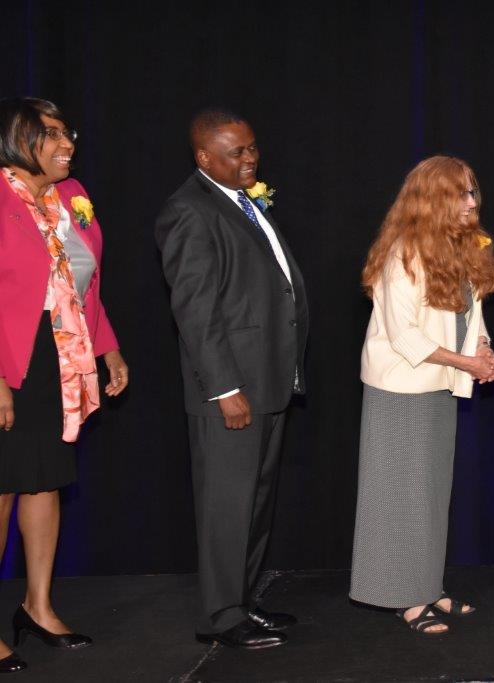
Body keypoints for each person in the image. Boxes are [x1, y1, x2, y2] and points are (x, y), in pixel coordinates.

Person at [155, 108, 309, 650]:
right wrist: (224, 388)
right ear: (204, 157)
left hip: (266, 378)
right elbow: (195, 311)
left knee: (255, 501)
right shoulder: (189, 211)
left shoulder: (238, 201)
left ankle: (241, 601)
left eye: (252, 147)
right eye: (236, 152)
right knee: (227, 504)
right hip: (233, 387)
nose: (250, 159)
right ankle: (219, 617)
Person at [0, 97, 128, 672]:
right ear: (15, 137)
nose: (66, 143)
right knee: (3, 486)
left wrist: (107, 347)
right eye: (50, 134)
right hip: (10, 361)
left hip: (58, 361)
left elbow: (84, 283)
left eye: (66, 132)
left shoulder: (71, 195)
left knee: (43, 482)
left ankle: (38, 606)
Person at [350, 156, 494, 636]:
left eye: (473, 191)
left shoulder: (459, 247)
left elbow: (470, 315)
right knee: (401, 495)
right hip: (401, 389)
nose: (472, 202)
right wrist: (467, 364)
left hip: (439, 384)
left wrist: (483, 349)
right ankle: (407, 599)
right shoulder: (402, 254)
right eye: (462, 193)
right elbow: (406, 338)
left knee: (432, 494)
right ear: (434, 200)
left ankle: (428, 585)